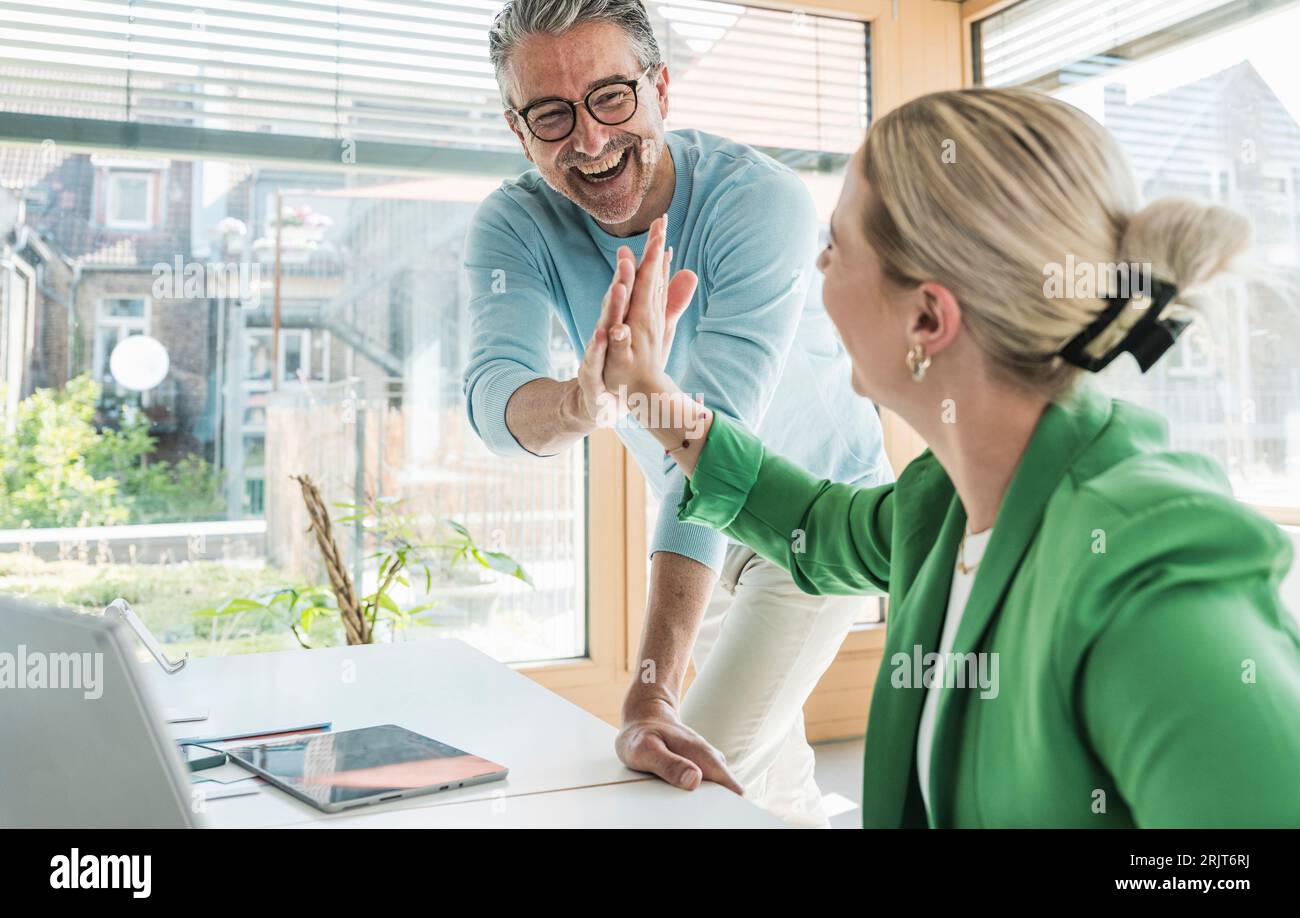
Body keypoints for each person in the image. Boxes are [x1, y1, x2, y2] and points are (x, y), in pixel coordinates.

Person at [596, 87, 1300, 827]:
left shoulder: (1143, 579)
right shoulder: (945, 505)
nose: (818, 272)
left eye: (834, 248)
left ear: (926, 318)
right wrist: (647, 390)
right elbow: (812, 522)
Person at [462, 0, 891, 827]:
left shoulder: (757, 201)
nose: (588, 140)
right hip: (698, 541)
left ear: (659, 86)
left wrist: (650, 690)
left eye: (611, 97)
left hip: (810, 525)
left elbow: (716, 452)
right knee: (773, 784)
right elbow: (492, 400)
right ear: (519, 130)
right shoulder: (515, 222)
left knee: (690, 784)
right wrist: (581, 404)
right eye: (550, 114)